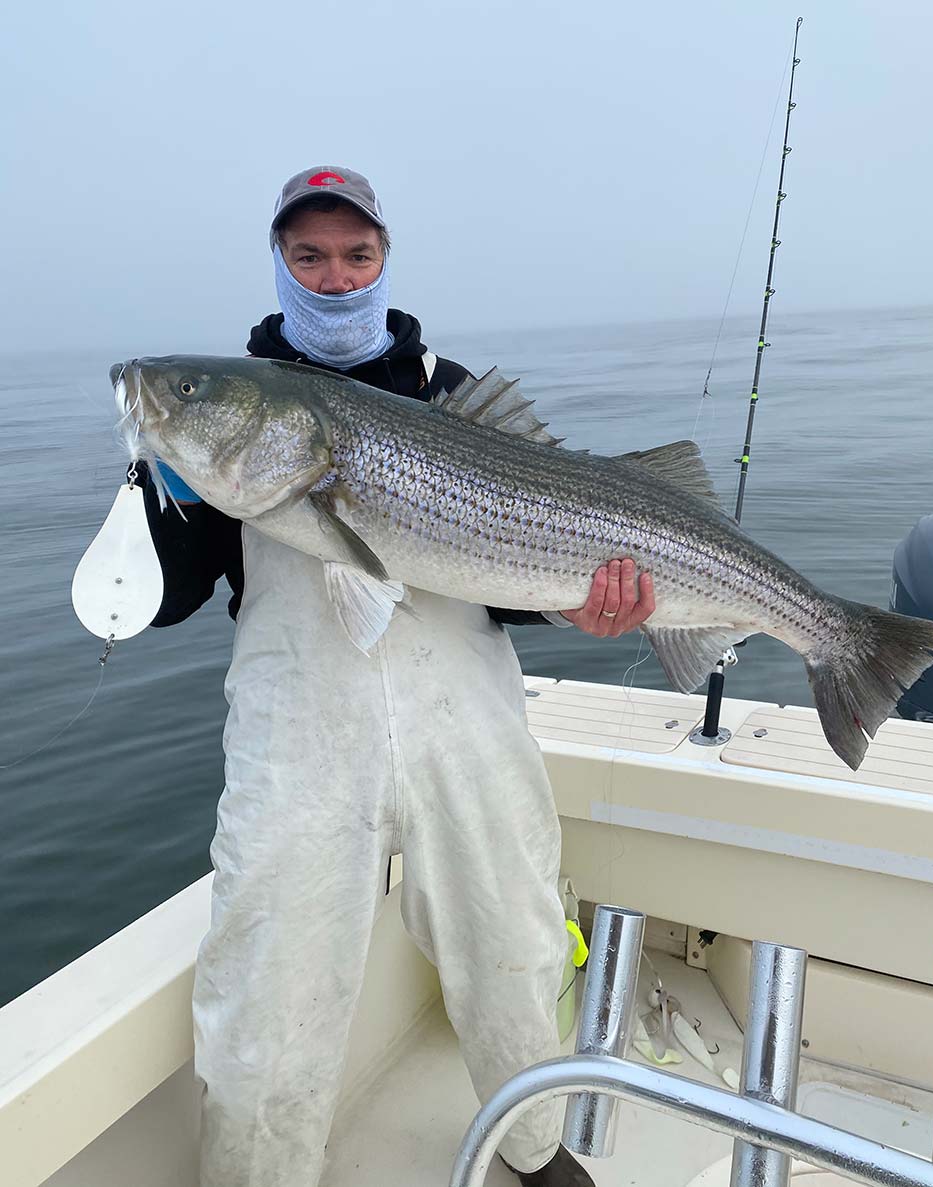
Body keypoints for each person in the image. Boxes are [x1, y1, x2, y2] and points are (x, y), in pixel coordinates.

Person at [141, 165, 656, 1187]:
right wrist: (161, 490)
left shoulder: (454, 392)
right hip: (299, 727)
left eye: (355, 254)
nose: (334, 278)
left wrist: (579, 604)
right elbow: (162, 598)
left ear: (384, 259)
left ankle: (535, 1148)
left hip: (462, 711)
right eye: (310, 255)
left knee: (512, 936)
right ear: (282, 264)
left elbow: (508, 582)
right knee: (271, 977)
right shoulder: (227, 414)